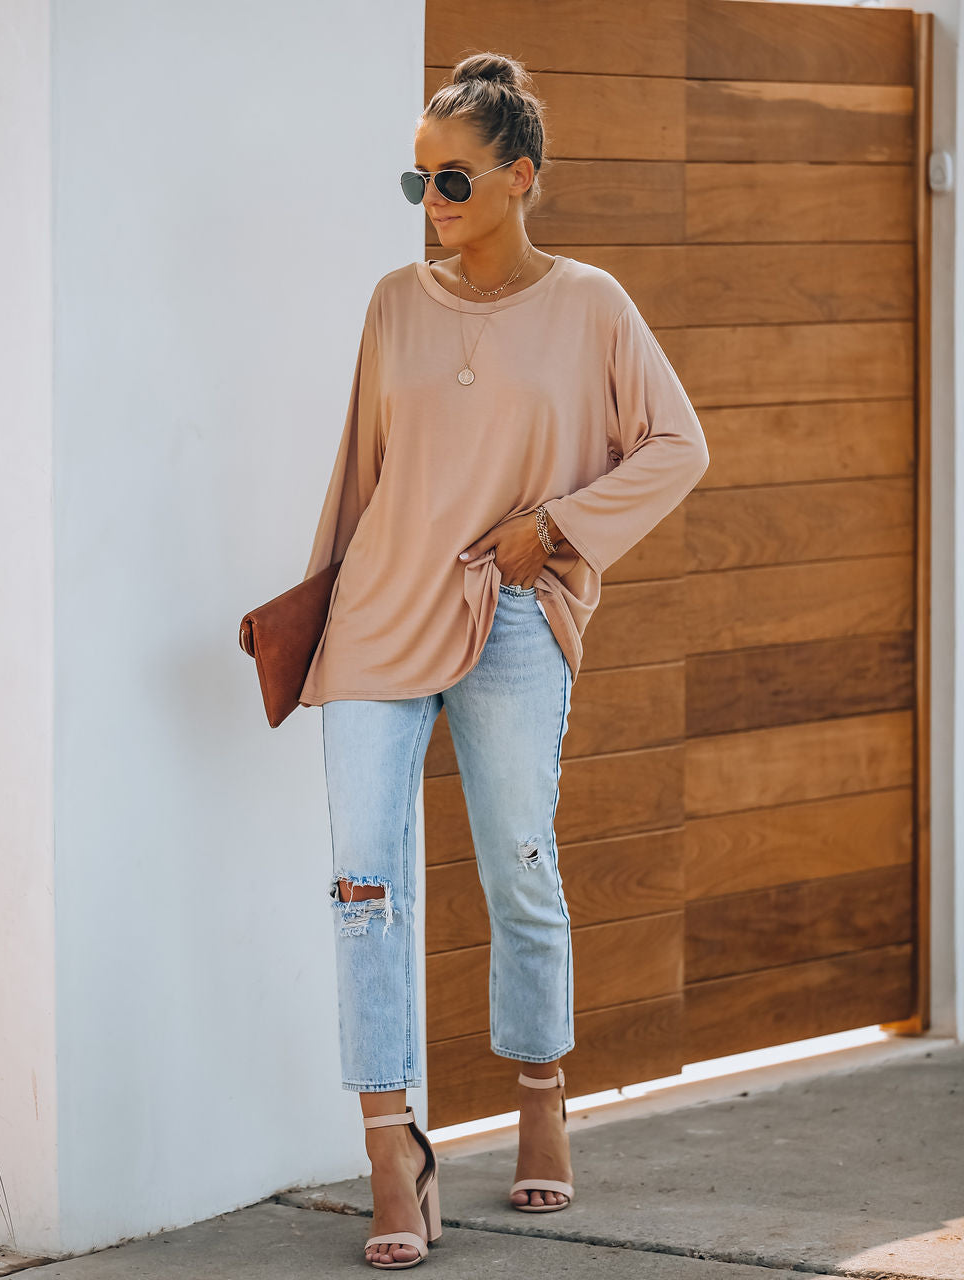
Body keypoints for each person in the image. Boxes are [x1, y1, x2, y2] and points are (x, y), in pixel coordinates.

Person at [298, 50, 710, 1271]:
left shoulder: (591, 304)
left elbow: (677, 445)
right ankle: (392, 1147)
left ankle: (539, 1089)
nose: (430, 200)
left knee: (518, 860)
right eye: (416, 179)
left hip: (513, 613)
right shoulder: (392, 302)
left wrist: (559, 529)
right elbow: (360, 472)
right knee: (363, 884)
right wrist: (316, 612)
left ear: (520, 176)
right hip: (380, 611)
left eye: (453, 178)